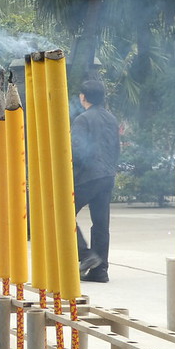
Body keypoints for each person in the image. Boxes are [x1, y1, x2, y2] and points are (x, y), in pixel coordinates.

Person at [72, 79, 120, 283]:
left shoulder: (82, 119)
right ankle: (100, 271)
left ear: (83, 97)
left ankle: (86, 255)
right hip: (107, 176)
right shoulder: (112, 119)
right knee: (101, 223)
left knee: (61, 215)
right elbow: (117, 149)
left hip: (88, 176)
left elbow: (75, 151)